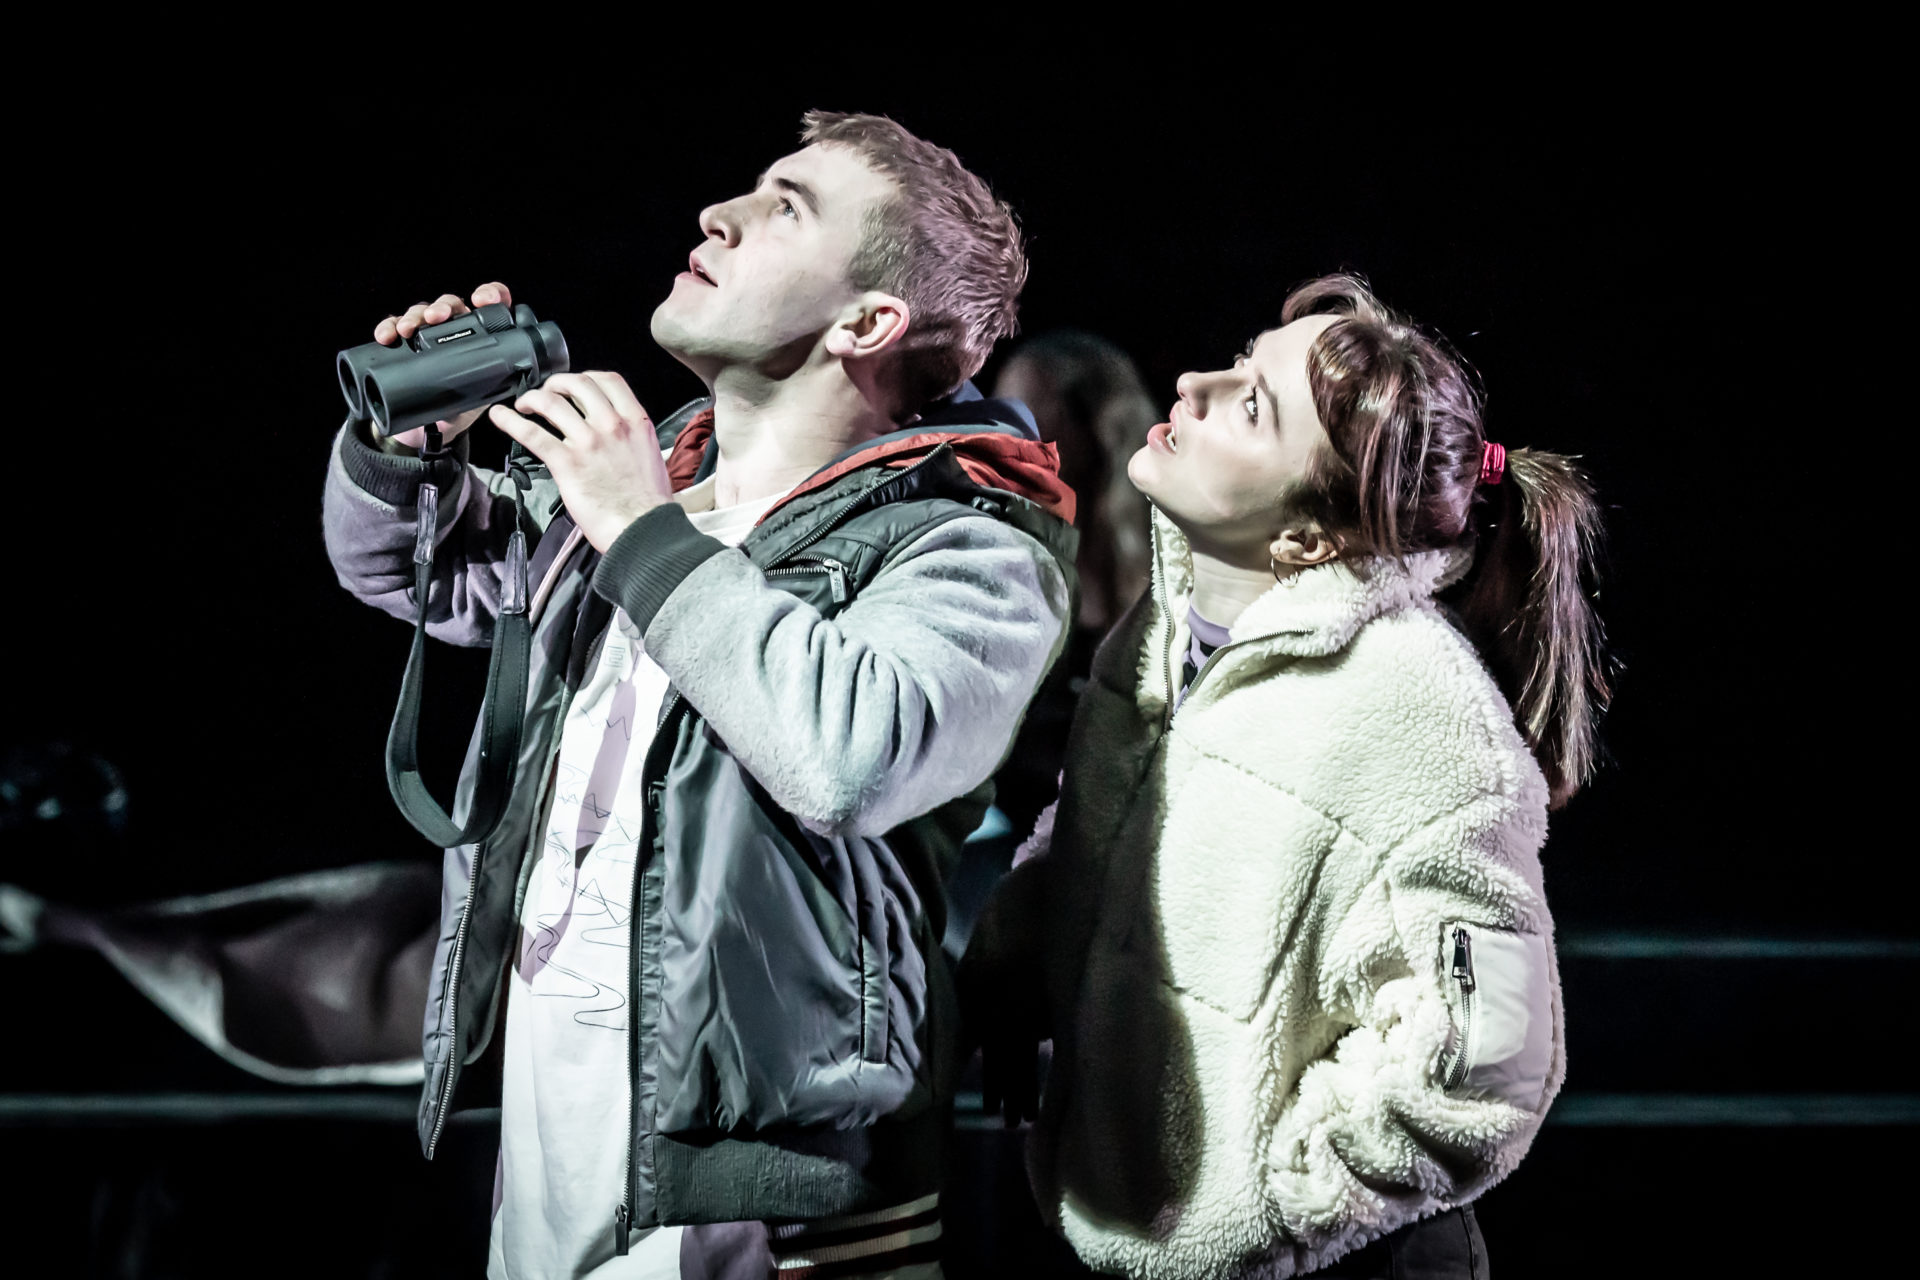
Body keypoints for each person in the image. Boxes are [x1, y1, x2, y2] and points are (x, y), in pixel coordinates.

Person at [323, 111, 1077, 1279]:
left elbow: (848, 752)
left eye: (785, 208)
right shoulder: (649, 485)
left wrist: (639, 526)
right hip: (559, 1149)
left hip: (764, 1202)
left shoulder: (968, 549)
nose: (716, 215)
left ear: (868, 321)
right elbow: (404, 573)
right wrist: (407, 455)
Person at [961, 274, 1609, 1278]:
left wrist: (1279, 1193)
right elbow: (1101, 827)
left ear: (1309, 537)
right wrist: (1011, 967)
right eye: (1237, 358)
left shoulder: (1418, 711)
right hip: (1125, 1234)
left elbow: (1489, 1067)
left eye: (1251, 402)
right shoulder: (1163, 631)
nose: (1192, 381)